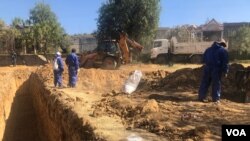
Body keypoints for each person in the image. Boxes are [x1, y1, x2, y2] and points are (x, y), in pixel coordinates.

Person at [198, 39, 229, 103]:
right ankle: (216, 99)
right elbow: (225, 62)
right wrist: (225, 71)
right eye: (223, 45)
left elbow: (203, 59)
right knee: (216, 84)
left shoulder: (208, 50)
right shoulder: (223, 51)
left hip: (207, 68)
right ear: (221, 44)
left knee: (205, 82)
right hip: (216, 69)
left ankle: (201, 97)